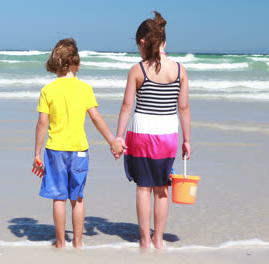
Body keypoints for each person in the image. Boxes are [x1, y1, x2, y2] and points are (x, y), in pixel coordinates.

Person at [32, 38, 125, 248]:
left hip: (55, 150)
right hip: (79, 151)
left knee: (59, 198)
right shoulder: (84, 89)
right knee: (78, 198)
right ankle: (78, 243)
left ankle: (60, 243)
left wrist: (37, 153)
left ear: (56, 64)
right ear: (77, 63)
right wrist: (112, 140)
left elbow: (41, 123)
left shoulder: (48, 90)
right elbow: (95, 117)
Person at [115, 11, 191, 249]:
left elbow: (127, 105)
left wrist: (118, 136)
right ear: (164, 42)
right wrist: (187, 140)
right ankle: (159, 238)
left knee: (143, 188)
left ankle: (145, 240)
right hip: (168, 134)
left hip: (141, 134)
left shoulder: (138, 70)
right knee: (162, 188)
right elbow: (184, 108)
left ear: (142, 43)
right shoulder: (179, 70)